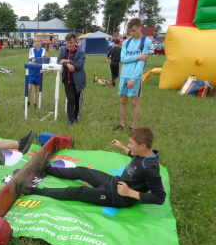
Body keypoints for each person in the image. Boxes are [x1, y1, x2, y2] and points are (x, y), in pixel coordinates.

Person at [17, 126, 165, 208]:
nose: (128, 145)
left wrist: (129, 193)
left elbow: (159, 197)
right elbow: (135, 158)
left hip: (118, 197)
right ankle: (47, 170)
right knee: (82, 171)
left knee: (77, 191)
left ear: (143, 146)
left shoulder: (150, 169)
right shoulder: (143, 154)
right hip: (115, 181)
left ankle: (33, 190)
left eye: (131, 144)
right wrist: (122, 147)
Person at [113, 18, 152, 132]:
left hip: (136, 77)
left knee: (134, 102)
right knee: (123, 101)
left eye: (134, 31)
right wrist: (137, 56)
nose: (131, 33)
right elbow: (123, 59)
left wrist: (134, 79)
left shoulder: (146, 42)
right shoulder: (126, 42)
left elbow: (142, 62)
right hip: (124, 75)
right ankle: (122, 125)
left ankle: (133, 127)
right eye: (130, 31)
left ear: (140, 28)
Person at [57, 33, 86, 126]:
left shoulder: (80, 52)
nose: (69, 45)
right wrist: (67, 64)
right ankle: (70, 119)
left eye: (71, 42)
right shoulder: (63, 50)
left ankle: (76, 118)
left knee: (78, 100)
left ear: (75, 42)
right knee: (70, 99)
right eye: (67, 43)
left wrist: (67, 61)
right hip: (67, 80)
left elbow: (79, 65)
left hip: (78, 81)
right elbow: (59, 60)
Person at [28, 36, 48, 108]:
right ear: (34, 42)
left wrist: (45, 57)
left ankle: (35, 104)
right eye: (35, 41)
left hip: (38, 70)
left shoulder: (43, 49)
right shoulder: (32, 49)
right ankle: (28, 102)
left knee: (36, 89)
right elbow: (32, 59)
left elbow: (43, 59)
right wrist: (40, 59)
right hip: (32, 69)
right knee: (29, 87)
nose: (37, 43)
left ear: (41, 42)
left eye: (38, 41)